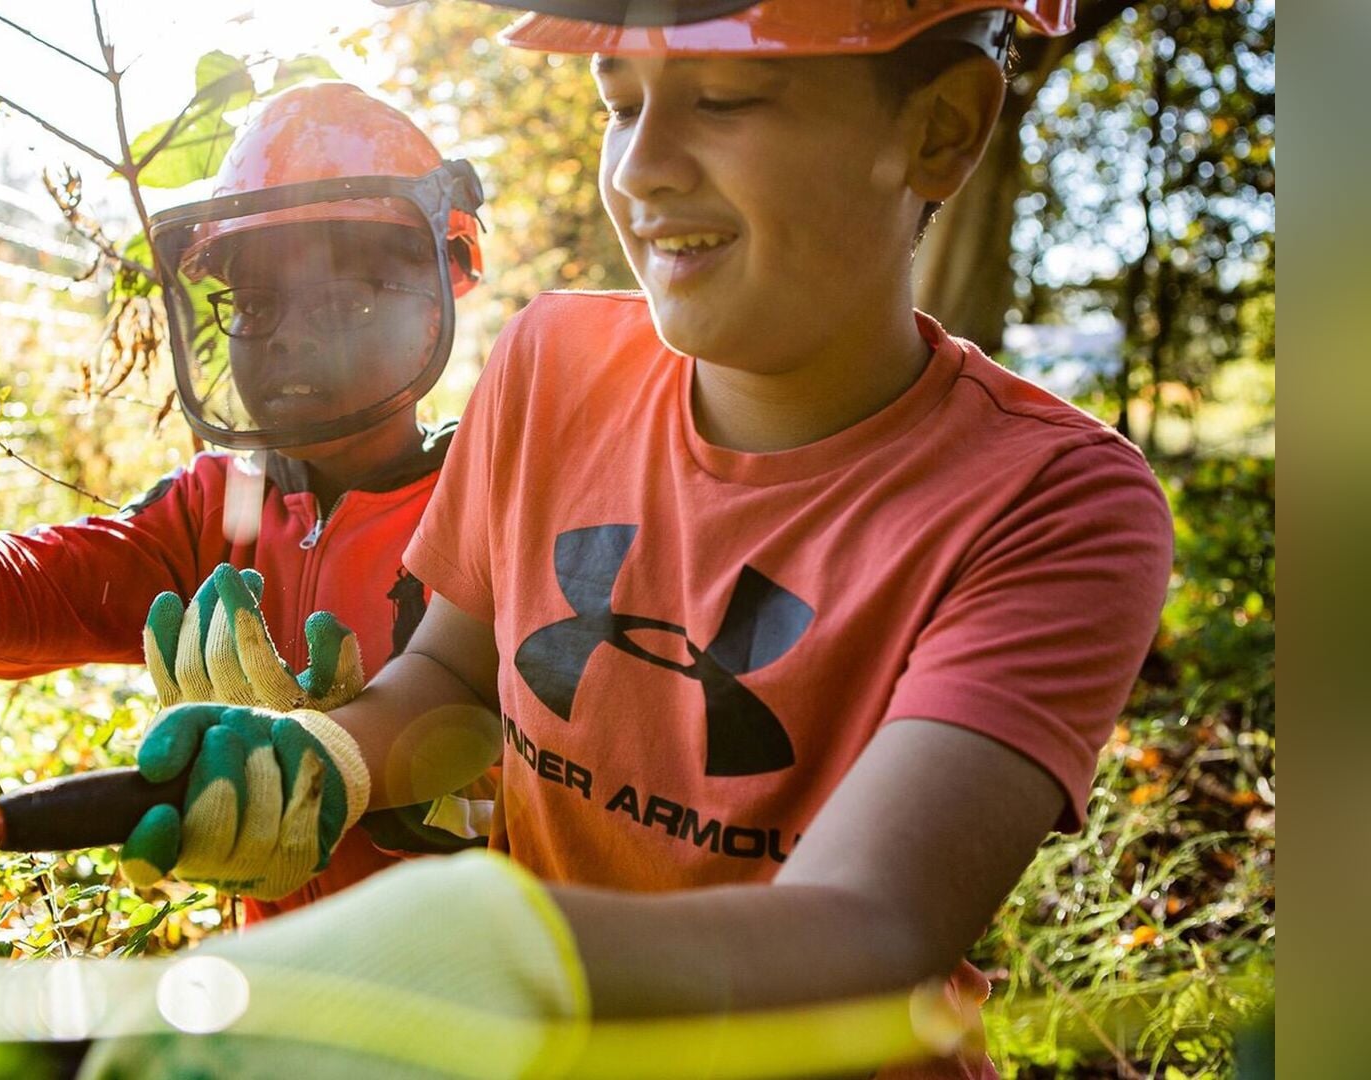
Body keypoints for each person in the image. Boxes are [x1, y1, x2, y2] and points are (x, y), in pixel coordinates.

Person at [99, 2, 1175, 1076]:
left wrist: (501, 952)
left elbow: (872, 927)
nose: (641, 169)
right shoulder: (547, 368)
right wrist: (333, 756)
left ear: (941, 129)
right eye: (621, 105)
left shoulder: (1051, 502)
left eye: (722, 99)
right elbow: (453, 679)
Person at [0, 81, 495, 925]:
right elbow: (56, 582)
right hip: (271, 991)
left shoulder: (493, 501)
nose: (292, 335)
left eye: (343, 297)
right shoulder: (220, 508)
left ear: (442, 289)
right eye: (258, 304)